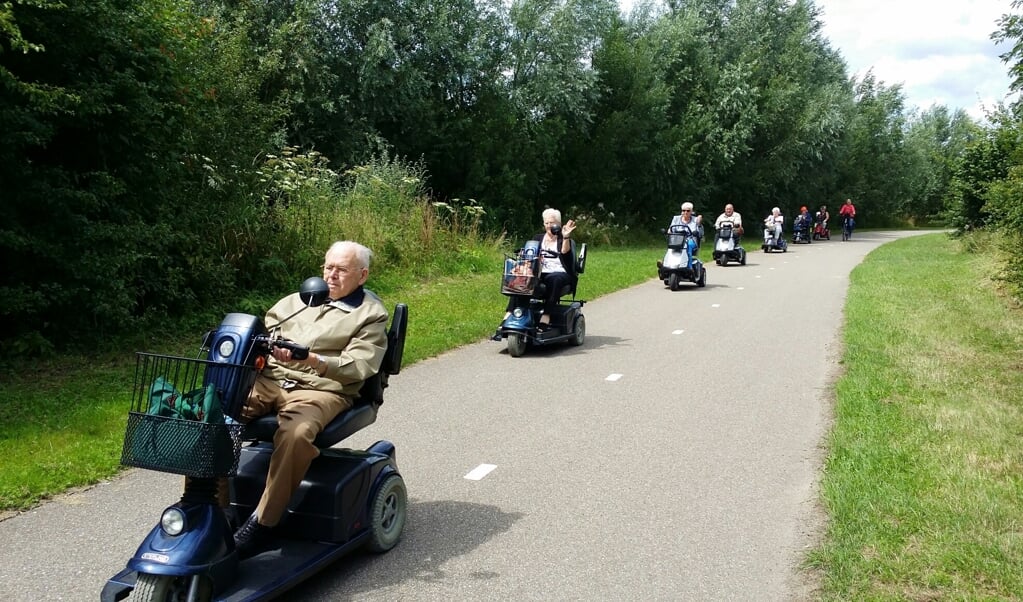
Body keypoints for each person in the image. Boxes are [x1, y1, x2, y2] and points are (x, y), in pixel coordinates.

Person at [232, 240, 389, 556]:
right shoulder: (296, 301)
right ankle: (215, 506)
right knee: (217, 410)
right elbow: (266, 331)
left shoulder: (370, 315)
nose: (331, 275)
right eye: (328, 267)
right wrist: (262, 347)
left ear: (362, 275)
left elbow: (359, 366)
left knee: (297, 432)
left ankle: (264, 522)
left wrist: (313, 360)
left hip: (322, 389)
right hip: (272, 379)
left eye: (341, 270)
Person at [504, 208, 577, 330]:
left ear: (559, 224)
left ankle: (546, 315)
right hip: (539, 272)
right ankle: (510, 313)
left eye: (552, 223)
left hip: (559, 272)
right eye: (546, 223)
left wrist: (565, 237)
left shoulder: (563, 239)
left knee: (555, 279)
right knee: (522, 278)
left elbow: (565, 252)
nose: (549, 226)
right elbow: (529, 255)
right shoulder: (537, 238)